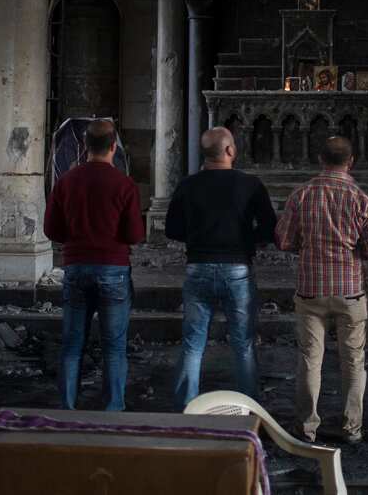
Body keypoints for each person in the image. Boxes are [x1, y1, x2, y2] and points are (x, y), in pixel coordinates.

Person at [275, 136, 368, 444]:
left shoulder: (301, 195)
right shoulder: (361, 198)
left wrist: (304, 244)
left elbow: (283, 240)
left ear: (320, 160)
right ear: (351, 162)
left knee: (310, 358)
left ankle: (307, 427)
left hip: (311, 289)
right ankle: (353, 427)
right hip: (350, 291)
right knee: (353, 360)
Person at [166, 127, 278, 408]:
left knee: (193, 344)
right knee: (243, 344)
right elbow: (269, 229)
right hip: (237, 270)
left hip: (198, 267)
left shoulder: (187, 186)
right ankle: (251, 407)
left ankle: (186, 407)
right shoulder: (250, 184)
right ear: (230, 151)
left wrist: (198, 238)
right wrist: (245, 241)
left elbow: (172, 229)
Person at [43, 119, 145, 410]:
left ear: (84, 146)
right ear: (114, 147)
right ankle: (113, 410)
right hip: (113, 269)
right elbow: (134, 235)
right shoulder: (124, 184)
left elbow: (51, 230)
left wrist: (76, 239)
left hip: (76, 267)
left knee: (72, 346)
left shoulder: (66, 182)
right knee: (114, 347)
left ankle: (67, 407)